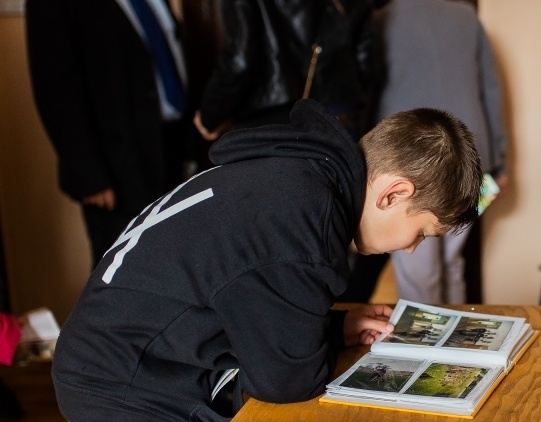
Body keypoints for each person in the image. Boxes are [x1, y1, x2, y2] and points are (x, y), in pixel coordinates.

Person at [52, 99, 483, 422]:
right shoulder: (301, 219)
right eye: (422, 232)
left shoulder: (303, 172)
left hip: (144, 356)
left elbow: (251, 294)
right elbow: (286, 382)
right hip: (124, 387)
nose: (410, 247)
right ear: (394, 193)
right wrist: (322, 337)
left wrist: (332, 325)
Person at [26, 0, 191, 267]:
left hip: (171, 146)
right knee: (127, 272)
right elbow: (54, 87)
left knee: (177, 263)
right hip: (116, 167)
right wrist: (90, 175)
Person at [371, 0, 508, 304]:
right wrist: (500, 159)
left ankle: (425, 348)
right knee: (452, 261)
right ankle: (453, 346)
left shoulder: (381, 19)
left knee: (418, 271)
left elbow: (369, 90)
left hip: (407, 157)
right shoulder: (466, 16)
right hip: (474, 155)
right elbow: (490, 88)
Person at [193, 0, 379, 142]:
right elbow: (365, 61)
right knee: (340, 190)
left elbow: (240, 61)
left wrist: (210, 115)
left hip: (271, 117)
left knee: (276, 191)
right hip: (340, 111)